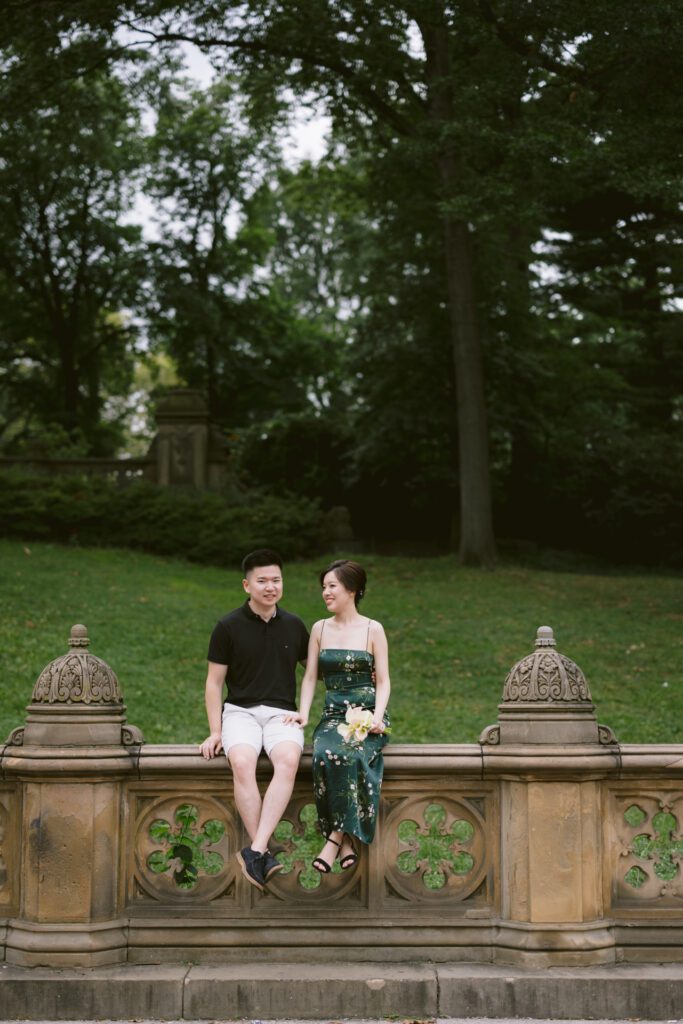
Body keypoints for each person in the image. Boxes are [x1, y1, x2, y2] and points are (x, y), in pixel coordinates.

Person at [199, 549, 309, 892]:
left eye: (276, 580)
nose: (270, 587)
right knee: (243, 762)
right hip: (240, 712)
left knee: (288, 760)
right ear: (247, 585)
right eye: (262, 581)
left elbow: (314, 674)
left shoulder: (294, 625)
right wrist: (215, 730)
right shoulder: (227, 626)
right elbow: (214, 683)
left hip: (282, 713)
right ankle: (262, 854)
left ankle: (256, 849)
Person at [284, 559, 390, 872]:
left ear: (352, 590)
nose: (325, 593)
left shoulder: (373, 629)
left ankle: (332, 840)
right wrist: (302, 713)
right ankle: (343, 840)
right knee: (323, 754)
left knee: (351, 756)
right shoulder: (319, 628)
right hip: (333, 716)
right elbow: (309, 677)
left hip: (367, 714)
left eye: (332, 586)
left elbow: (383, 680)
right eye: (324, 587)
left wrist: (377, 718)